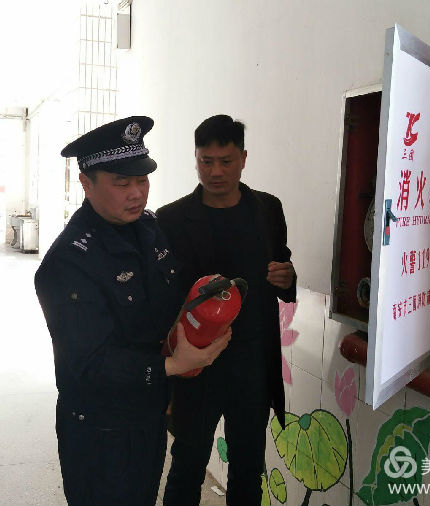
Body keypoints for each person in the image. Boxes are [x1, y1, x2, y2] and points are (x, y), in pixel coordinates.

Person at [34, 116, 231, 506]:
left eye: (142, 180)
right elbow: (89, 362)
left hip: (147, 413)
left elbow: (166, 304)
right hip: (100, 428)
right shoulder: (70, 261)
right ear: (86, 183)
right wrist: (172, 366)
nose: (137, 193)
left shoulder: (148, 229)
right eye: (122, 184)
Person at [157, 114, 297, 506]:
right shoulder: (170, 220)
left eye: (226, 161)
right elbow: (161, 297)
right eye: (206, 161)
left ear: (243, 159)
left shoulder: (267, 210)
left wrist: (287, 278)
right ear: (196, 159)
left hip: (252, 365)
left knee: (248, 467)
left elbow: (282, 266)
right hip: (196, 363)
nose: (215, 171)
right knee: (187, 464)